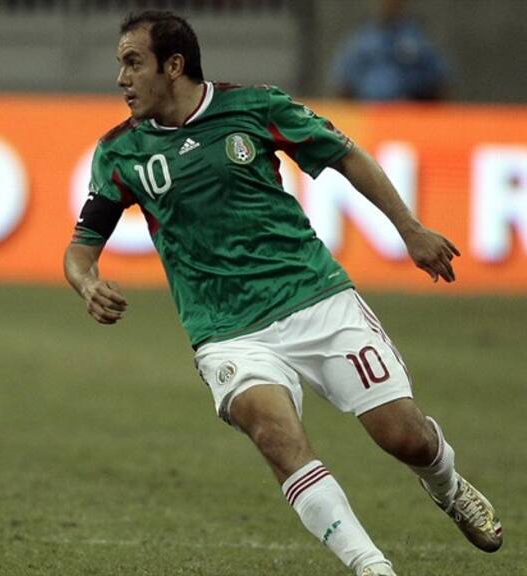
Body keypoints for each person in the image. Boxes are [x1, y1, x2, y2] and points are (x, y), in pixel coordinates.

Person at [63, 10, 501, 576]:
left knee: (405, 438)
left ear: (173, 66)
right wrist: (87, 282)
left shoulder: (256, 107)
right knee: (275, 434)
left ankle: (446, 483)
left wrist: (409, 229)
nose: (121, 78)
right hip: (225, 330)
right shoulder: (120, 152)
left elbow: (346, 155)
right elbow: (81, 247)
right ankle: (372, 568)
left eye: (132, 62)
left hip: (314, 298)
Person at [332, 0, 449, 101]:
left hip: (406, 115)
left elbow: (439, 84)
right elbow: (343, 85)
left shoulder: (417, 40)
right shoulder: (361, 41)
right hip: (368, 115)